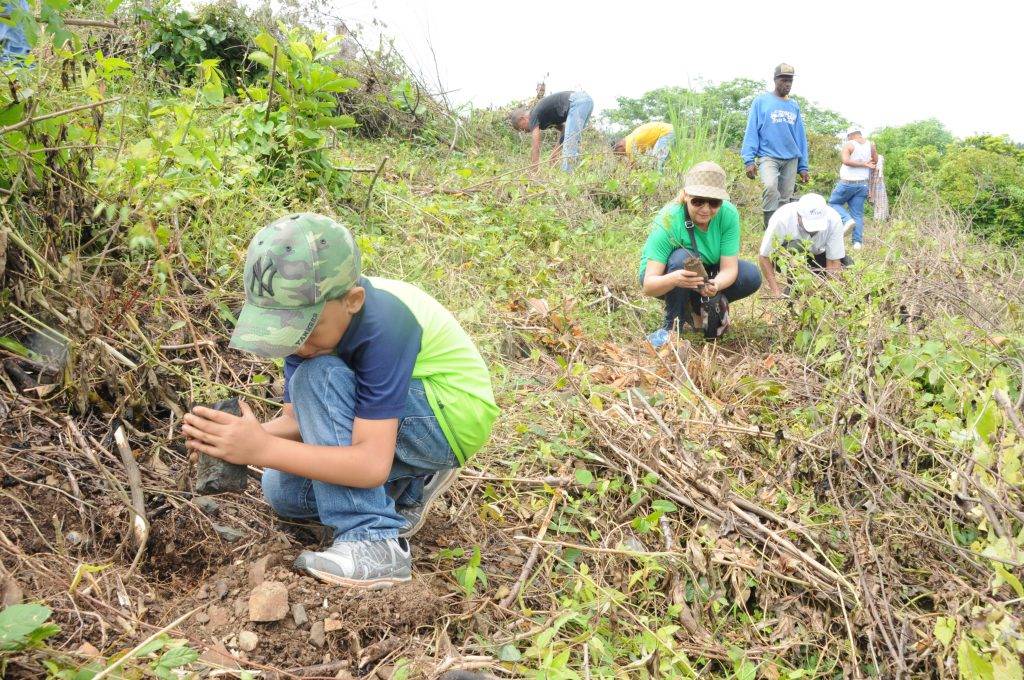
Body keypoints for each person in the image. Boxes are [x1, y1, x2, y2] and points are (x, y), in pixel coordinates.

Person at [182, 213, 499, 589]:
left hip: (449, 415)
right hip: (393, 418)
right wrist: (238, 441)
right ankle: (410, 484)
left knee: (318, 376)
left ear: (352, 301)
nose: (296, 345)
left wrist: (261, 447)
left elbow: (368, 464)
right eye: (283, 331)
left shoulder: (386, 322)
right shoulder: (311, 332)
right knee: (283, 491)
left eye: (303, 330)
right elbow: (303, 422)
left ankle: (373, 540)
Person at [640, 161, 762, 346]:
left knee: (751, 275)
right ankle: (672, 327)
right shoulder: (668, 219)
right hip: (668, 274)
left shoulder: (728, 215)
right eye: (698, 201)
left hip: (705, 273)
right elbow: (648, 285)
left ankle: (697, 307)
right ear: (686, 195)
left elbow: (729, 268)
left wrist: (716, 284)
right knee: (681, 259)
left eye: (714, 203)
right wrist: (675, 279)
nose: (706, 209)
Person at [741, 63, 810, 228]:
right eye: (784, 80)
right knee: (771, 187)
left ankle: (781, 232)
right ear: (775, 80)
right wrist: (749, 160)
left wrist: (803, 166)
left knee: (785, 198)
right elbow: (751, 130)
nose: (787, 84)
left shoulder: (794, 105)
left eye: (790, 81)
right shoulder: (761, 101)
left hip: (791, 157)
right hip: (768, 155)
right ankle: (769, 228)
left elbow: (800, 137)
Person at [758, 193, 851, 298]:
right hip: (788, 259)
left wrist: (830, 292)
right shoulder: (782, 218)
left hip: (818, 256)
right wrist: (776, 292)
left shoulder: (833, 219)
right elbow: (764, 256)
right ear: (798, 216)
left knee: (847, 264)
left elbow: (833, 261)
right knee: (796, 246)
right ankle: (795, 287)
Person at [508, 90, 594, 172]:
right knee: (573, 143)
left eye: (521, 128)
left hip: (577, 102)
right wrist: (555, 152)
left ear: (522, 119)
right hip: (585, 101)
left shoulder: (534, 115)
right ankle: (575, 176)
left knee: (570, 147)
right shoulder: (543, 118)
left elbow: (536, 146)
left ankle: (566, 178)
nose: (525, 132)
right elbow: (564, 130)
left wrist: (534, 171)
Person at [829, 127, 877, 250]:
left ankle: (847, 219)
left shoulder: (849, 145)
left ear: (851, 135)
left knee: (833, 203)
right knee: (858, 214)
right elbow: (875, 161)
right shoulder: (871, 144)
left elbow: (845, 161)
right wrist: (866, 163)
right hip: (862, 184)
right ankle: (857, 243)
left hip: (848, 182)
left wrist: (862, 164)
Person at [868, 153, 889, 222]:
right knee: (880, 203)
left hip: (878, 184)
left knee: (880, 203)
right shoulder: (867, 161)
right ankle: (879, 221)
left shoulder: (879, 158)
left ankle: (879, 220)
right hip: (871, 184)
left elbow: (878, 175)